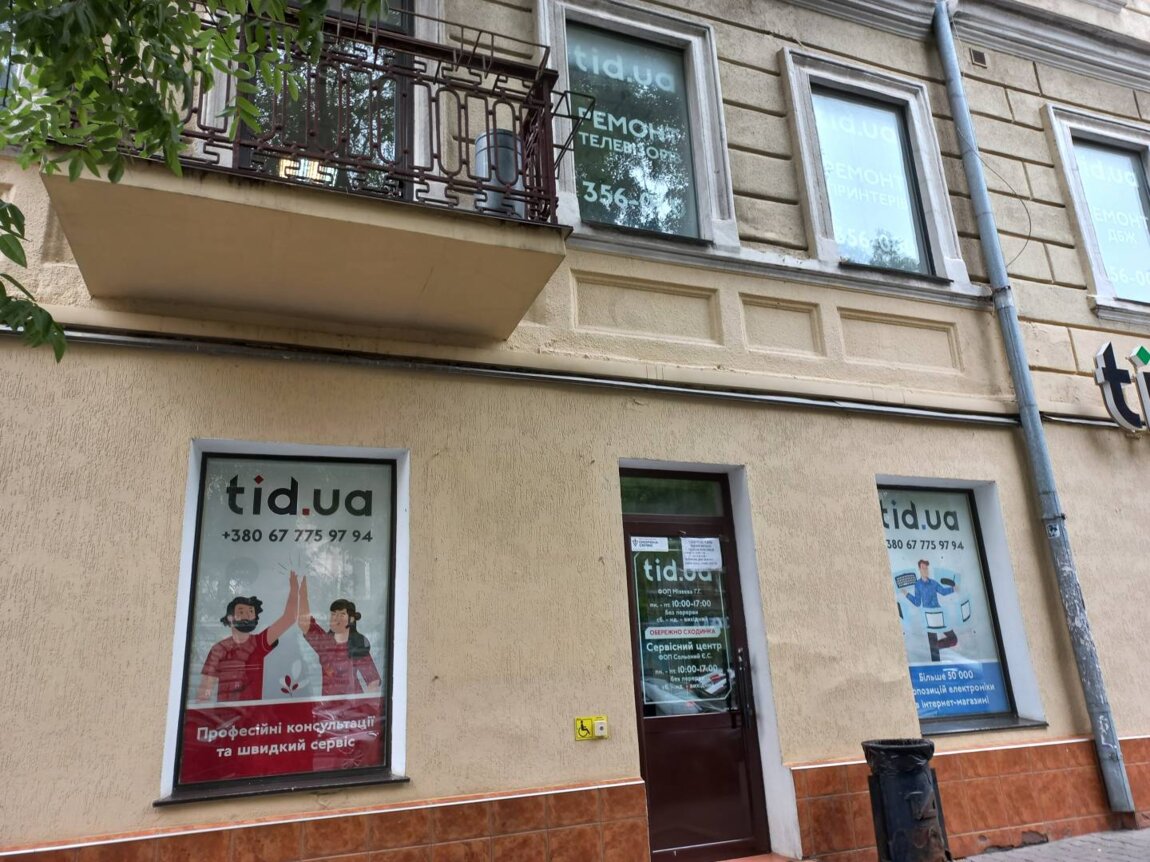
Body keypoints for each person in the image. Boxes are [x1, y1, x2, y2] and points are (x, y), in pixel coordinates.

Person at [196, 571, 300, 702]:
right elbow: (204, 691)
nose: (247, 615)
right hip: (226, 713)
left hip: (254, 713)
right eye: (241, 611)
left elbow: (289, 618)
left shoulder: (259, 642)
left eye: (251, 612)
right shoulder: (219, 649)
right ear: (230, 618)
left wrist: (294, 589)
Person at [297, 576, 382, 695]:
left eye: (341, 615)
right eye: (333, 614)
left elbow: (373, 681)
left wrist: (365, 703)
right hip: (329, 704)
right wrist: (302, 594)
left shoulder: (357, 645)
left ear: (351, 619)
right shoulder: (325, 643)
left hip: (353, 704)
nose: (336, 618)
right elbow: (304, 623)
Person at [903, 560, 958, 661]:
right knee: (934, 654)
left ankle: (935, 647)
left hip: (939, 615)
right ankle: (935, 657)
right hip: (928, 617)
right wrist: (907, 594)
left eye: (926, 568)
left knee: (953, 640)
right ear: (919, 569)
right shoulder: (918, 584)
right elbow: (917, 602)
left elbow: (943, 591)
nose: (925, 570)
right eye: (923, 568)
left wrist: (953, 589)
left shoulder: (933, 583)